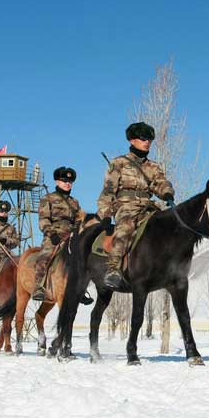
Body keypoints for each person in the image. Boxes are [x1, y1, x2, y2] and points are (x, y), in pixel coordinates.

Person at [97, 122, 175, 289]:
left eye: (150, 139)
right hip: (126, 207)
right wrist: (105, 215)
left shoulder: (154, 167)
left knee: (167, 226)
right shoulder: (119, 163)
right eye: (143, 138)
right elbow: (108, 191)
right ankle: (113, 269)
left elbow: (160, 183)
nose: (147, 142)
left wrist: (167, 192)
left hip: (148, 207)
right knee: (125, 228)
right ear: (132, 140)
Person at [34, 166, 84, 301]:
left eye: (70, 181)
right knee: (44, 257)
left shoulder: (74, 202)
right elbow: (43, 220)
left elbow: (79, 219)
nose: (67, 183)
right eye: (64, 181)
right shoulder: (48, 198)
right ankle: (38, 287)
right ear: (57, 181)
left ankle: (80, 288)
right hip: (54, 235)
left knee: (84, 258)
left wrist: (78, 227)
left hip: (71, 235)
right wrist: (51, 234)